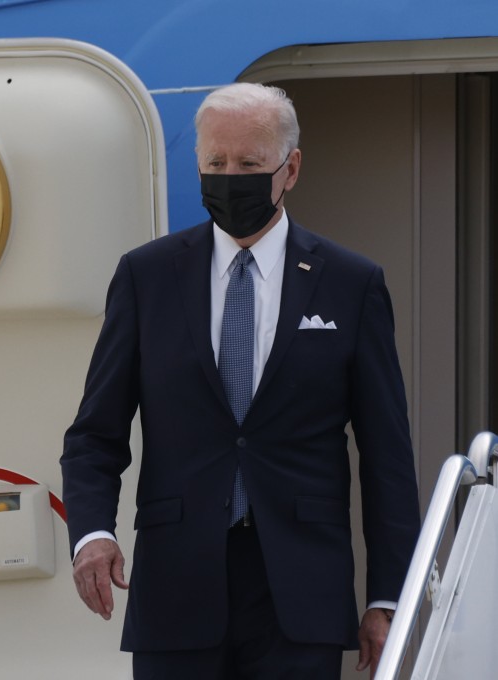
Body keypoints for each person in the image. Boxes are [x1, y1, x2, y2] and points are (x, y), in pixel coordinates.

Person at [60, 82, 420, 679]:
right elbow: (95, 433)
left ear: (291, 168)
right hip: (176, 586)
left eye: (249, 164)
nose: (231, 177)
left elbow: (387, 455)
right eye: (215, 163)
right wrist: (92, 532)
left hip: (300, 593)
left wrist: (388, 596)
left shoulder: (351, 284)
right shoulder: (146, 277)